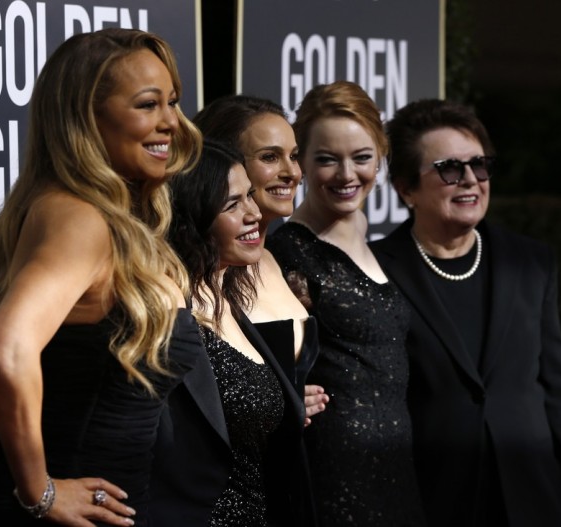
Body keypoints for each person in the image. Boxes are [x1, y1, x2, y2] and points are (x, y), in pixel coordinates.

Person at [0, 28, 203, 526]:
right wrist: (41, 493)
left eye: (172, 102)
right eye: (147, 105)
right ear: (85, 119)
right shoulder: (80, 219)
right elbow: (4, 349)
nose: (170, 123)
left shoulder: (98, 215)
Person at [369, 98, 561, 527]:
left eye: (479, 165)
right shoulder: (375, 271)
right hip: (434, 503)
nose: (470, 180)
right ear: (406, 189)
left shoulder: (530, 263)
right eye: (449, 169)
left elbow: (559, 396)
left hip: (534, 501)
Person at [267, 80, 427, 526]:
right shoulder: (287, 253)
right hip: (333, 473)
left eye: (361, 157)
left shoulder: (367, 236)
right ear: (300, 162)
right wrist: (285, 394)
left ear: (381, 156)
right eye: (326, 159)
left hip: (396, 468)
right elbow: (261, 361)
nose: (346, 175)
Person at [158, 139, 315, 526]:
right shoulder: (166, 315)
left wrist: (288, 403)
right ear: (191, 217)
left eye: (249, 196)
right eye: (232, 205)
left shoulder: (231, 300)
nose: (254, 214)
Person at [192, 94, 327, 419]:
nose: (292, 172)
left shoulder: (271, 260)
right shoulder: (198, 278)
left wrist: (289, 401)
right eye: (270, 157)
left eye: (294, 156)